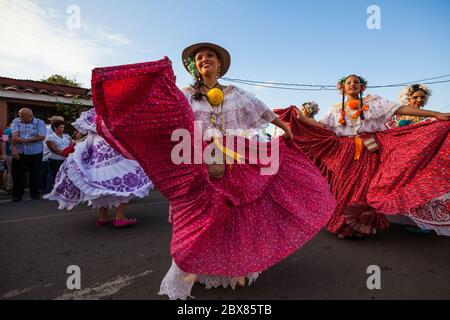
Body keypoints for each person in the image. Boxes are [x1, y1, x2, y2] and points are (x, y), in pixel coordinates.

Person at [91, 53, 336, 300]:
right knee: (199, 218)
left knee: (235, 215)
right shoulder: (184, 94)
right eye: (199, 58)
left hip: (235, 156)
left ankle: (235, 268)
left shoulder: (235, 93)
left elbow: (261, 108)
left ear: (220, 65)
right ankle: (188, 268)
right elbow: (165, 119)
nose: (204, 59)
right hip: (195, 158)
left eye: (210, 56)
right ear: (194, 66)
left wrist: (284, 127)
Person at [275, 74, 450, 238]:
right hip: (343, 151)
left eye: (356, 82)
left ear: (362, 87)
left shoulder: (373, 102)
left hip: (368, 150)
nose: (353, 84)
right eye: (349, 82)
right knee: (342, 188)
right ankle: (342, 226)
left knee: (363, 188)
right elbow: (321, 126)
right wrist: (302, 119)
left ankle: (359, 226)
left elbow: (400, 109)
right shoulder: (335, 110)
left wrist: (435, 114)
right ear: (342, 88)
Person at [44, 109, 153, 228]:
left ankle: (103, 217)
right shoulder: (113, 122)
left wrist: (82, 157)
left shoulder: (93, 126)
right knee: (128, 183)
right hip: (115, 158)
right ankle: (120, 217)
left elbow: (87, 144)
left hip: (98, 161)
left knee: (101, 187)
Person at [10, 108, 46, 201]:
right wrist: (14, 149)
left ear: (30, 116)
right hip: (20, 152)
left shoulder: (40, 122)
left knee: (35, 174)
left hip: (35, 153)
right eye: (19, 115)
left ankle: (35, 194)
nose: (20, 117)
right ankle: (17, 195)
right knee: (17, 174)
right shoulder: (16, 121)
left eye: (22, 116)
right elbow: (15, 136)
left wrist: (24, 140)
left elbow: (41, 136)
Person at [45, 120, 71, 192]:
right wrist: (65, 153)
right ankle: (52, 190)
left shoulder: (66, 136)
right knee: (55, 175)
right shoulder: (50, 137)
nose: (62, 129)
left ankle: (63, 189)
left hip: (66, 159)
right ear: (55, 128)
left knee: (65, 175)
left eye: (63, 128)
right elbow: (54, 149)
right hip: (55, 159)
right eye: (60, 127)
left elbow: (72, 145)